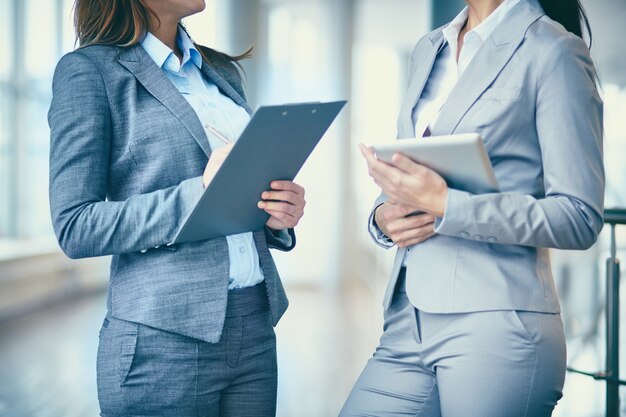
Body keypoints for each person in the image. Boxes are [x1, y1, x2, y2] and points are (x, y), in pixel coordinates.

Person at [341, 0, 603, 416]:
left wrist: (448, 205)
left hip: (497, 325)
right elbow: (416, 165)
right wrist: (382, 217)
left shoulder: (553, 50)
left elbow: (579, 215)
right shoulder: (430, 47)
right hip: (407, 320)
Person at [48, 1, 306, 416]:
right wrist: (198, 191)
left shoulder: (218, 71)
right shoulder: (89, 72)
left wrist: (275, 214)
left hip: (254, 327)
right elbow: (76, 225)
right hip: (161, 341)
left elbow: (239, 190)